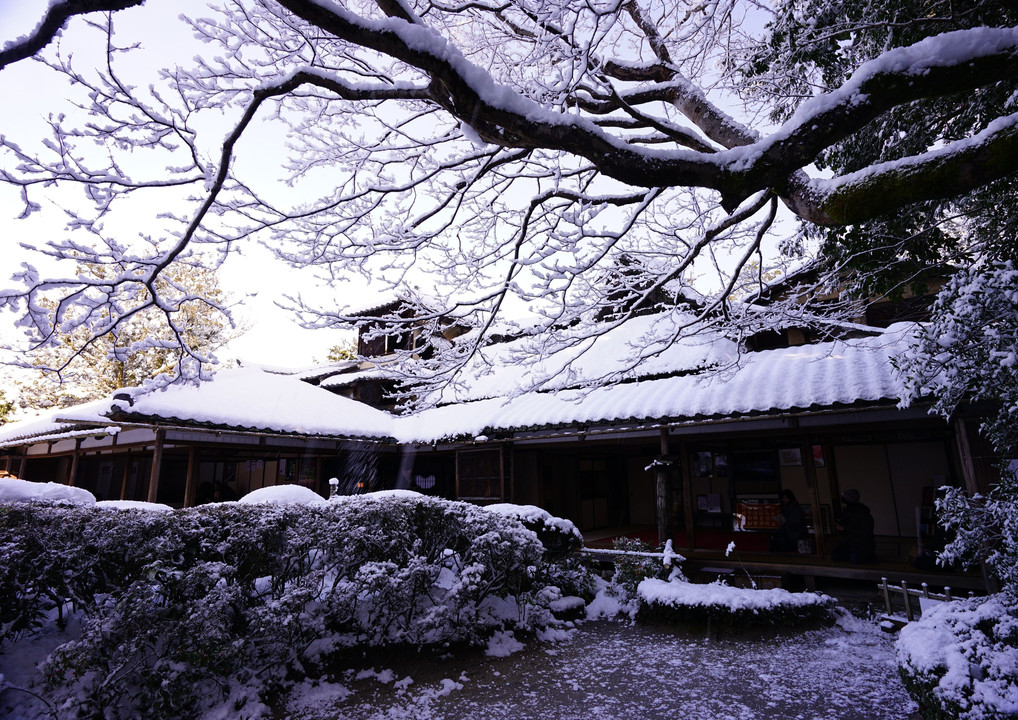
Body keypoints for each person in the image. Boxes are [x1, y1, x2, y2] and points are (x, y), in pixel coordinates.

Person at [832, 489, 876, 563]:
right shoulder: (846, 512)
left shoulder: (863, 513)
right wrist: (840, 528)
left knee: (855, 559)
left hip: (862, 544)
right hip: (850, 543)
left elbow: (865, 532)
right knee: (835, 556)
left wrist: (845, 528)